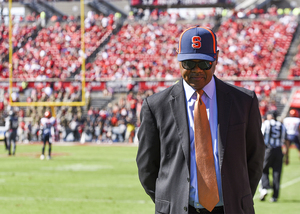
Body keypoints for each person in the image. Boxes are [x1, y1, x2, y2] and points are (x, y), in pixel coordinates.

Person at [136, 26, 265, 214]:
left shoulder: (244, 102)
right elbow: (147, 167)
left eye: (204, 64)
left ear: (216, 59)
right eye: (188, 63)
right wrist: (171, 202)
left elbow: (255, 159)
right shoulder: (155, 106)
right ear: (178, 60)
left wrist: (237, 198)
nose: (196, 70)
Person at [259, 111, 289, 203]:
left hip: (268, 150)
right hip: (279, 151)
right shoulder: (281, 125)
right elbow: (286, 140)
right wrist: (287, 155)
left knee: (263, 169)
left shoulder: (266, 124)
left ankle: (265, 187)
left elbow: (260, 136)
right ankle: (275, 196)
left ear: (270, 116)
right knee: (277, 173)